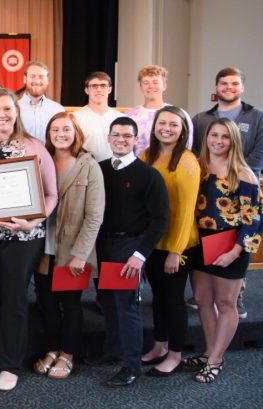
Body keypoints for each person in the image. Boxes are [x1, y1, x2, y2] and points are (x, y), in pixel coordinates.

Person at [0, 88, 58, 391]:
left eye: (7, 109)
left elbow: (51, 194)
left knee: (15, 296)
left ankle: (11, 363)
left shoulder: (35, 146)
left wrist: (33, 220)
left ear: (16, 113)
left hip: (23, 235)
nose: (1, 115)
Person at [182, 118, 263, 383]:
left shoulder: (242, 172)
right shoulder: (199, 166)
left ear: (234, 141)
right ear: (206, 138)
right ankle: (208, 352)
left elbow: (254, 219)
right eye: (213, 135)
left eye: (225, 137)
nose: (218, 141)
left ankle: (216, 359)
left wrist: (235, 252)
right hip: (200, 241)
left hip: (231, 243)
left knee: (226, 302)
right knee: (203, 300)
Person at [189, 67, 263, 319]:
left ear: (242, 87)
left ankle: (235, 296)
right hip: (208, 193)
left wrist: (232, 171)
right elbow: (194, 151)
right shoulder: (202, 118)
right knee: (207, 254)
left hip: (241, 193)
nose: (229, 88)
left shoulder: (258, 117)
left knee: (234, 248)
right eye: (223, 84)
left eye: (234, 84)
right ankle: (207, 293)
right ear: (216, 88)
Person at [89, 116, 169, 387]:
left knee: (125, 306)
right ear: (109, 138)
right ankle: (113, 352)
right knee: (107, 301)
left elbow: (160, 221)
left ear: (136, 140)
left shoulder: (148, 175)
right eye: (116, 135)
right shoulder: (98, 169)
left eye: (127, 136)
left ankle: (131, 366)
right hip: (102, 245)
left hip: (129, 247)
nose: (121, 140)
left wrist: (140, 255)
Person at [33, 112, 104, 380]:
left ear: (76, 133)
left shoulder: (89, 166)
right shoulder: (41, 161)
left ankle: (67, 354)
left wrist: (80, 255)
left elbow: (95, 215)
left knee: (71, 305)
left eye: (66, 129)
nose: (60, 134)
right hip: (42, 250)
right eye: (55, 130)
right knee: (47, 304)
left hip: (73, 251)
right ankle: (52, 348)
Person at [139, 106, 201, 377]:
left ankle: (175, 354)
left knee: (174, 300)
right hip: (153, 241)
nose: (166, 128)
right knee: (158, 298)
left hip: (178, 244)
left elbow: (187, 211)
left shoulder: (187, 161)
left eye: (173, 124)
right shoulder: (146, 155)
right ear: (154, 127)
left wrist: (175, 251)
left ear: (182, 130)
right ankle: (159, 345)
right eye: (162, 123)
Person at [124, 65, 193, 155]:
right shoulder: (130, 116)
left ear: (164, 86)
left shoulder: (178, 114)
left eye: (155, 82)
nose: (151, 86)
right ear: (140, 87)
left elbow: (187, 145)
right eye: (146, 83)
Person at [72, 71, 124, 161]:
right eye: (94, 86)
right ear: (87, 90)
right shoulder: (75, 117)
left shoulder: (121, 118)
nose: (99, 89)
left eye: (103, 86)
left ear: (110, 89)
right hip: (86, 169)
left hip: (115, 169)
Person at [17, 61, 65, 142]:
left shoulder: (58, 110)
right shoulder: (14, 109)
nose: (37, 80)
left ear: (47, 81)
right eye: (32, 76)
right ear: (25, 79)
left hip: (50, 155)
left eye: (41, 77)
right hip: (23, 154)